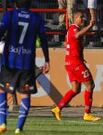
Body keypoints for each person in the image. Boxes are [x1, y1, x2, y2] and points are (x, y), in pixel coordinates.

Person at [0, 0, 50, 134]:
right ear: (30, 5)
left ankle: (2, 122)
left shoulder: (10, 15)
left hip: (9, 61)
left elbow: (0, 31)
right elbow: (43, 39)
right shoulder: (36, 18)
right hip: (27, 63)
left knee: (2, 91)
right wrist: (47, 59)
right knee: (25, 95)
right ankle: (18, 128)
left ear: (16, 4)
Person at [51, 11, 100, 122]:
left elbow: (76, 44)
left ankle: (57, 108)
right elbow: (77, 35)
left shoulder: (74, 30)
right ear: (76, 18)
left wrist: (81, 56)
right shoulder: (74, 28)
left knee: (75, 89)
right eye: (82, 17)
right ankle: (87, 114)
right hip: (75, 63)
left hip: (70, 62)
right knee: (90, 85)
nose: (84, 19)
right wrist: (90, 26)